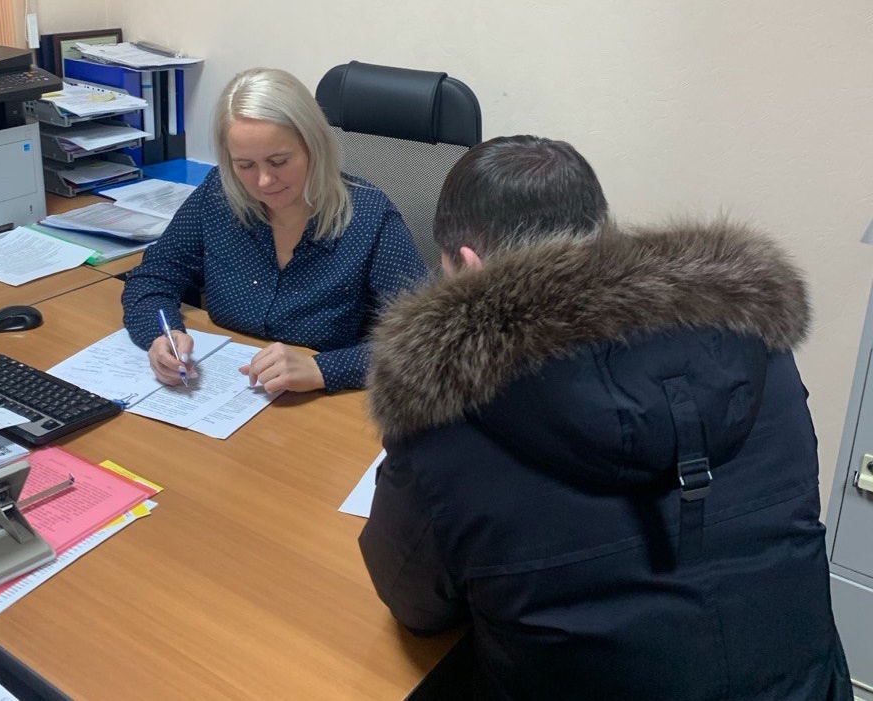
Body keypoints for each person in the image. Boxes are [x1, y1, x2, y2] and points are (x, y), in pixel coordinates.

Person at [360, 135, 852, 700]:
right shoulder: (755, 349)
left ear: (468, 267)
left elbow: (415, 602)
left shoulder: (448, 413)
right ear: (603, 234)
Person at [122, 68, 427, 394]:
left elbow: (422, 343)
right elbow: (152, 277)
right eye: (245, 165)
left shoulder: (369, 217)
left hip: (323, 406)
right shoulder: (219, 195)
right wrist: (161, 335)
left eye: (279, 161)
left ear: (313, 147)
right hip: (226, 391)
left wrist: (321, 369)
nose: (264, 181)